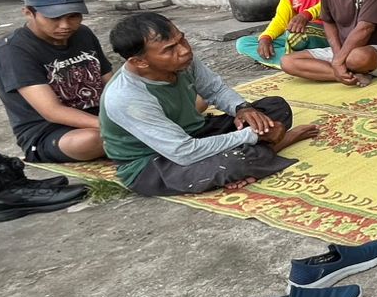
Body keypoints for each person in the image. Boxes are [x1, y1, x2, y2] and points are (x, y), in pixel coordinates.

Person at [100, 12, 317, 196]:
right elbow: (183, 152)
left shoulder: (183, 61)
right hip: (154, 162)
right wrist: (252, 135)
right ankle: (275, 145)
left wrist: (243, 109)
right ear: (139, 61)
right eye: (169, 49)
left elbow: (215, 90)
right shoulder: (125, 96)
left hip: (196, 132)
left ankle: (257, 155)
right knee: (235, 162)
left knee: (275, 107)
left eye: (182, 39)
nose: (184, 50)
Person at [0, 0, 111, 163]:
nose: (65, 25)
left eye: (73, 16)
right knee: (93, 140)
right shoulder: (12, 50)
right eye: (54, 18)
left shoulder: (83, 34)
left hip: (98, 118)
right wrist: (114, 127)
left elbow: (109, 81)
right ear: (28, 13)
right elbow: (52, 111)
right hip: (50, 132)